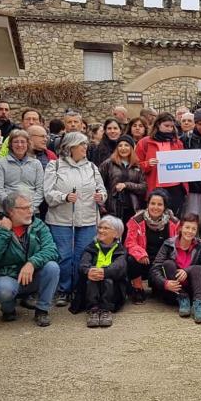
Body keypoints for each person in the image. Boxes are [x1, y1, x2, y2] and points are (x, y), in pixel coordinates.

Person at [44, 131, 106, 307]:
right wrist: (64, 197)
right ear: (70, 147)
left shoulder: (92, 167)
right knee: (64, 256)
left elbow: (102, 190)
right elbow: (48, 194)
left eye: (86, 144)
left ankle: (80, 290)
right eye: (81, 144)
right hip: (61, 219)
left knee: (82, 257)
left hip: (87, 219)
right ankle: (63, 290)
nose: (85, 148)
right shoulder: (54, 166)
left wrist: (101, 196)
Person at [0, 191, 60, 327]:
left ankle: (42, 310)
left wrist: (32, 263)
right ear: (11, 211)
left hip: (33, 277)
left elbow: (51, 250)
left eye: (31, 207)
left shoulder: (38, 225)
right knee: (3, 291)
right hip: (9, 278)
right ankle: (8, 309)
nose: (30, 211)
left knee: (52, 267)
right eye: (25, 208)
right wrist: (4, 231)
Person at [149, 212, 201, 323]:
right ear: (181, 228)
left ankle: (198, 304)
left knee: (196, 268)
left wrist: (188, 270)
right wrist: (164, 283)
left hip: (194, 288)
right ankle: (183, 298)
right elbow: (155, 268)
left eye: (193, 229)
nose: (190, 231)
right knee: (168, 263)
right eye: (187, 227)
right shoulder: (168, 244)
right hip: (174, 291)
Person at [125, 189, 180, 304]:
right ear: (148, 204)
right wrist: (141, 254)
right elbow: (130, 243)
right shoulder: (135, 220)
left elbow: (178, 245)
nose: (155, 207)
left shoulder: (174, 223)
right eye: (152, 203)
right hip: (145, 260)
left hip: (163, 262)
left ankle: (158, 285)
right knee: (131, 259)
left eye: (160, 204)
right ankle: (138, 289)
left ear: (165, 207)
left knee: (166, 298)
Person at [72, 215, 128, 328]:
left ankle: (106, 310)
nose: (101, 230)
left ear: (116, 234)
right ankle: (93, 309)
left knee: (108, 279)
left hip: (112, 287)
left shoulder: (120, 250)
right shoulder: (91, 247)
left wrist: (104, 272)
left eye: (106, 228)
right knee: (92, 279)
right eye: (100, 227)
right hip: (92, 283)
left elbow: (120, 266)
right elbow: (83, 264)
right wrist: (89, 271)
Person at [136, 112, 187, 210]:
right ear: (158, 124)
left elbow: (184, 162)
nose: (169, 129)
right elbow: (135, 165)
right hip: (155, 187)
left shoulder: (177, 143)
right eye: (166, 126)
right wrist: (147, 164)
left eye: (172, 126)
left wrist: (196, 163)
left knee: (174, 218)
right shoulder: (145, 142)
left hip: (175, 187)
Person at [0, 129, 45, 214]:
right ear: (10, 145)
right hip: (7, 211)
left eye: (23, 142)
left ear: (28, 144)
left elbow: (40, 189)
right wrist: (12, 207)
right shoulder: (0, 163)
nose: (19, 145)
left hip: (31, 211)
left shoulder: (36, 164)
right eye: (16, 142)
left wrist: (30, 207)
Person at [99, 135, 145, 226]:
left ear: (132, 148)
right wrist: (101, 205)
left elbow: (143, 187)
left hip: (132, 208)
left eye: (126, 145)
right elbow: (98, 183)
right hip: (112, 208)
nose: (123, 148)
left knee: (128, 236)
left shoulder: (137, 165)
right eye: (120, 145)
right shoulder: (108, 164)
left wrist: (126, 185)